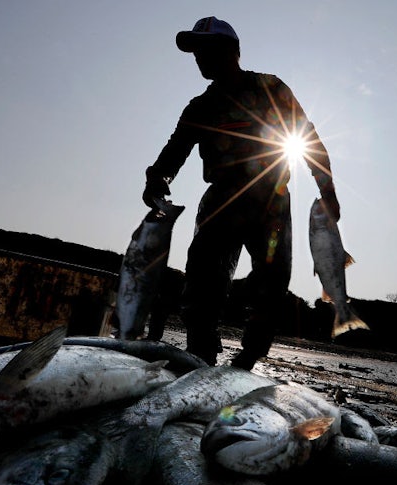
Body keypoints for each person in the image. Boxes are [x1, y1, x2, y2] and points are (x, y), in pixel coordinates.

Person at [142, 16, 340, 370]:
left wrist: (327, 189)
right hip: (221, 201)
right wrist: (157, 177)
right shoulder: (200, 106)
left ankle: (249, 358)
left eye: (206, 49)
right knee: (203, 278)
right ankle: (201, 353)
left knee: (272, 280)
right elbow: (175, 150)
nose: (199, 58)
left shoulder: (270, 87)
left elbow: (307, 137)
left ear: (232, 51)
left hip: (271, 200)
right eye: (196, 52)